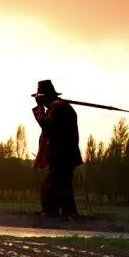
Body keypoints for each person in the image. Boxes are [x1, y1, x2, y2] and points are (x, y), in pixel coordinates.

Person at [31, 79, 82, 216]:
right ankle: (69, 215)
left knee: (50, 189)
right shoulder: (59, 107)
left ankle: (50, 215)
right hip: (64, 155)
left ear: (43, 97)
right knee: (63, 188)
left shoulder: (58, 108)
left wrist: (40, 108)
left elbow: (47, 125)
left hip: (62, 155)